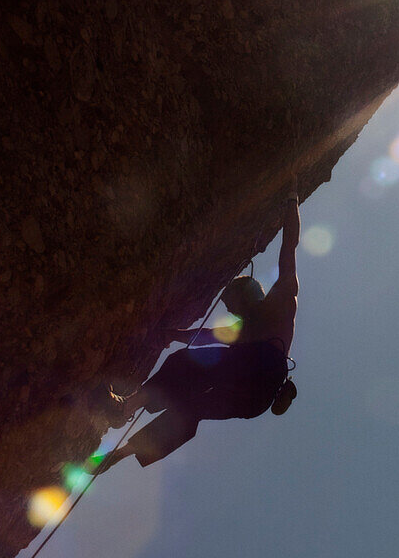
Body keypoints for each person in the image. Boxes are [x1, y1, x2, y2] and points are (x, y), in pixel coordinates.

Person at [94, 188, 301, 471]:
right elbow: (205, 338)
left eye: (232, 305)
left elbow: (289, 247)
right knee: (191, 408)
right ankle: (122, 453)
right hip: (257, 398)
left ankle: (125, 408)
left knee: (184, 363)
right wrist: (174, 334)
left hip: (262, 367)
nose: (231, 312)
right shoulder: (250, 328)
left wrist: (292, 200)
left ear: (246, 294)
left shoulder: (281, 299)